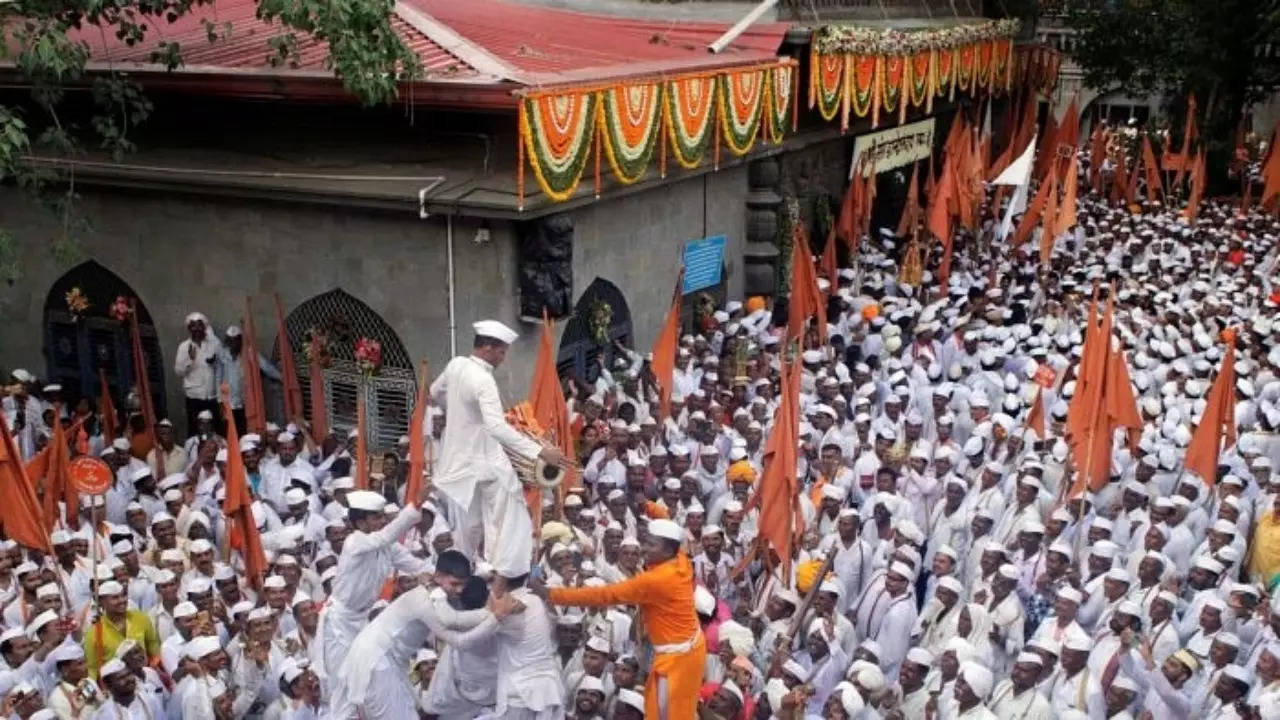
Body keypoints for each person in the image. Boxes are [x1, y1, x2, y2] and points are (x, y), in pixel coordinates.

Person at [430, 320, 566, 576]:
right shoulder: (483, 380)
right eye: (502, 352)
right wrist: (540, 451)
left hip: (458, 463)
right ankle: (505, 575)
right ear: (488, 348)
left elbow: (435, 393)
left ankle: (462, 574)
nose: (503, 358)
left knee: (468, 527)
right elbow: (497, 428)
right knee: (512, 519)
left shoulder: (455, 364)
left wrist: (458, 416)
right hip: (486, 462)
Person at [540, 518, 704, 720]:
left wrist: (550, 594)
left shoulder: (656, 580)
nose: (644, 548)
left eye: (652, 545)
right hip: (685, 648)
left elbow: (606, 595)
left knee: (668, 714)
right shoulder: (681, 560)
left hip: (677, 659)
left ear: (669, 550)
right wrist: (651, 509)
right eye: (647, 541)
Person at [334, 549, 506, 720]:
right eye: (454, 584)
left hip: (384, 658)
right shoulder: (426, 600)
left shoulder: (435, 589)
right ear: (438, 576)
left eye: (463, 584)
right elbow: (458, 638)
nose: (459, 590)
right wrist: (495, 616)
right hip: (377, 660)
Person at [315, 489, 429, 682]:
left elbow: (417, 565)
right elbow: (383, 537)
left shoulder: (388, 547)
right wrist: (413, 508)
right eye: (377, 518)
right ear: (360, 523)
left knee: (365, 679)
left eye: (383, 517)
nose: (383, 521)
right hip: (339, 622)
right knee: (340, 683)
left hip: (362, 620)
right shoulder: (354, 542)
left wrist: (441, 574)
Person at [174, 312, 222, 437]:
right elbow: (179, 371)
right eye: (193, 326)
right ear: (189, 329)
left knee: (215, 429)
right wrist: (190, 360)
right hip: (194, 397)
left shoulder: (214, 344)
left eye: (199, 326)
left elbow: (222, 364)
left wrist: (214, 362)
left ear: (204, 327)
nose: (196, 329)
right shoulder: (184, 347)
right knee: (195, 431)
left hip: (212, 396)